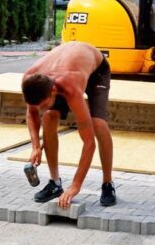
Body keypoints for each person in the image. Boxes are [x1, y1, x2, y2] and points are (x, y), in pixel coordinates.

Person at [21, 42, 116, 208]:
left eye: (43, 104)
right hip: (64, 67)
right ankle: (55, 183)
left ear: (54, 91)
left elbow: (89, 143)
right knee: (49, 117)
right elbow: (32, 113)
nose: (40, 109)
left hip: (96, 69)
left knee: (98, 123)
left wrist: (75, 186)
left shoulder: (71, 88)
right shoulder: (30, 79)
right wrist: (35, 146)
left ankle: (108, 183)